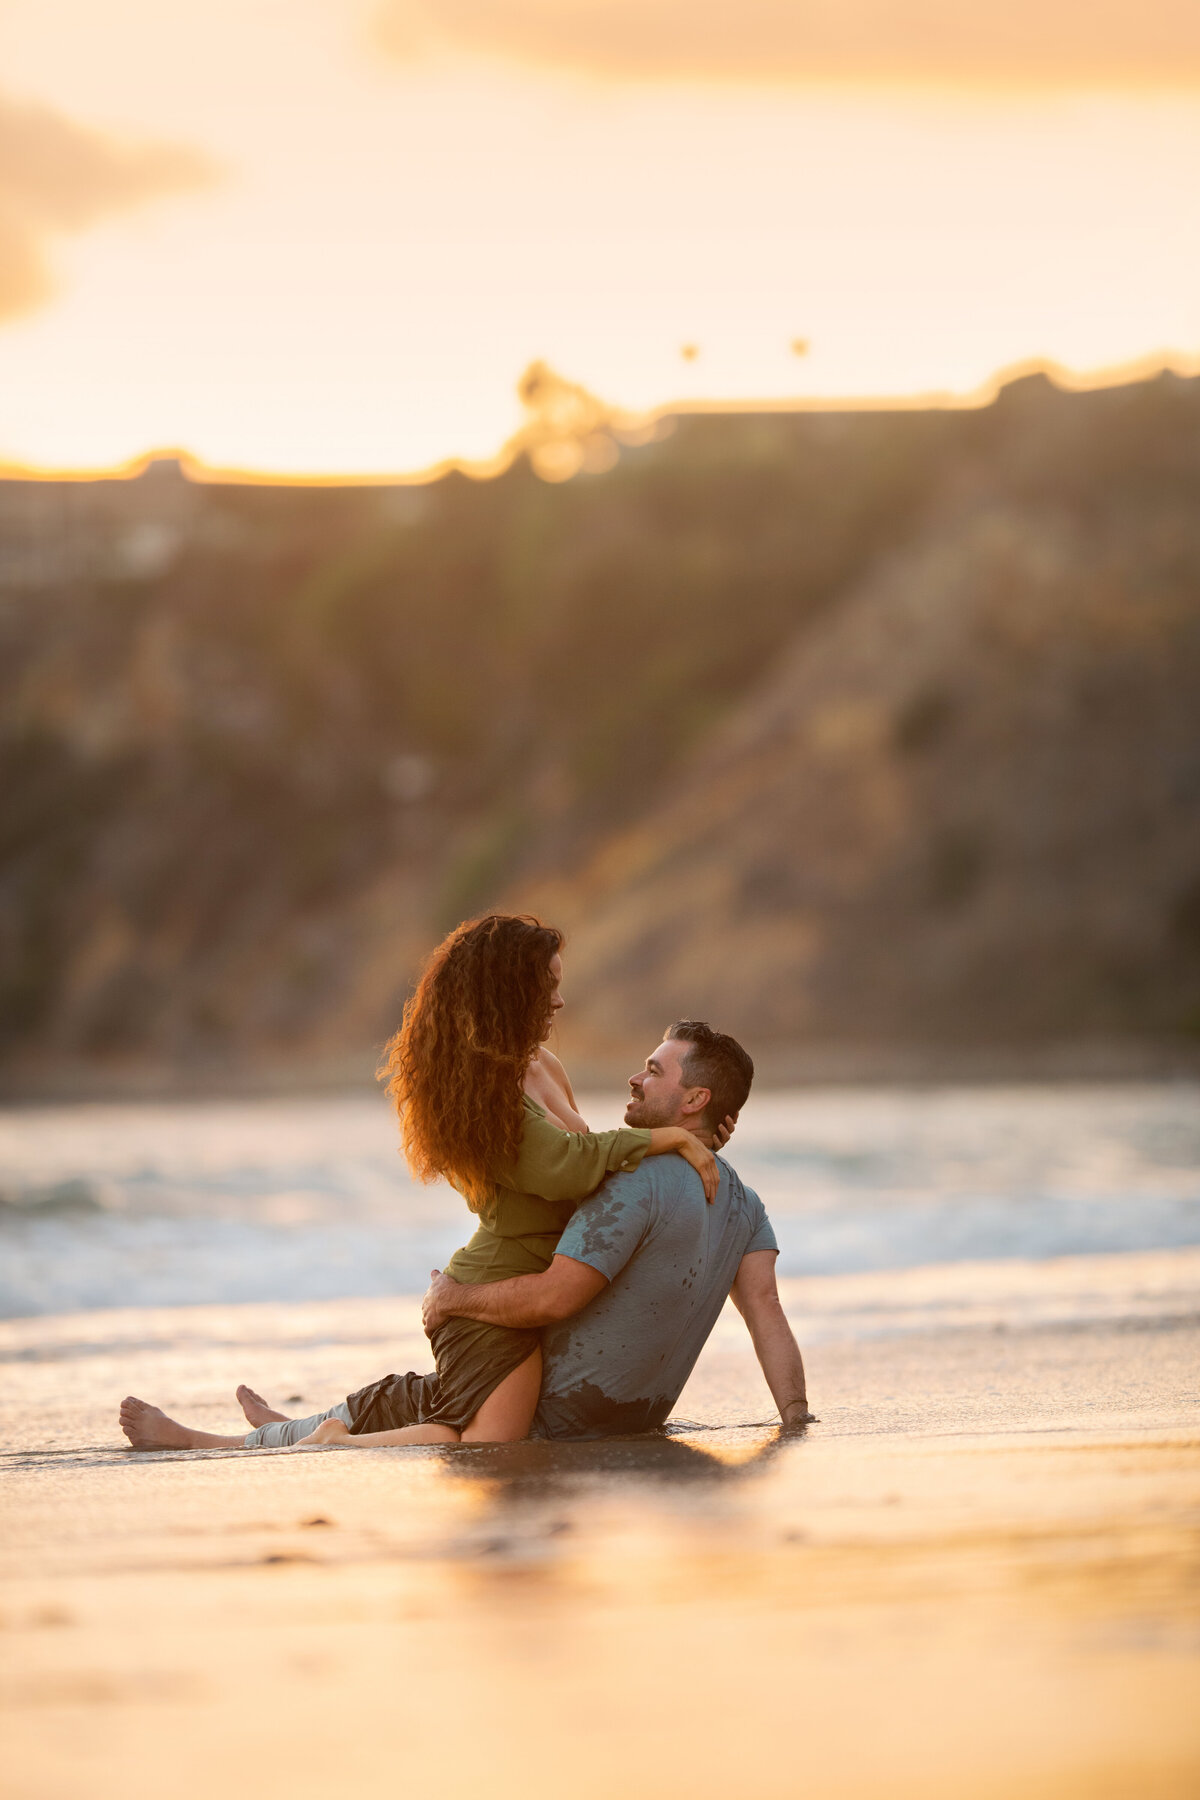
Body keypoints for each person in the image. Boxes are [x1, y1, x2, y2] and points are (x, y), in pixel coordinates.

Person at [119, 915, 720, 1453]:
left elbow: (590, 1159)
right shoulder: (489, 1090)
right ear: (510, 992)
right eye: (548, 986)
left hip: (510, 1292)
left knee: (436, 1403)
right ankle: (248, 1442)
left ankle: (279, 1431)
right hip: (496, 1297)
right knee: (488, 1439)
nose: (560, 1001)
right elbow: (561, 1165)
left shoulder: (542, 1066)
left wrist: (694, 1133)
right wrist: (667, 1139)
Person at [301, 1020, 814, 1447]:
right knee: (396, 1403)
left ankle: (280, 1435)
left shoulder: (632, 1183)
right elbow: (766, 1310)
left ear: (694, 1098)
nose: (635, 1079)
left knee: (413, 1404)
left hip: (541, 1420)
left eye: (654, 1072)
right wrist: (796, 1421)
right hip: (622, 1422)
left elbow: (553, 1297)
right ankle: (264, 1433)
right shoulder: (743, 1204)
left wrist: (453, 1297)